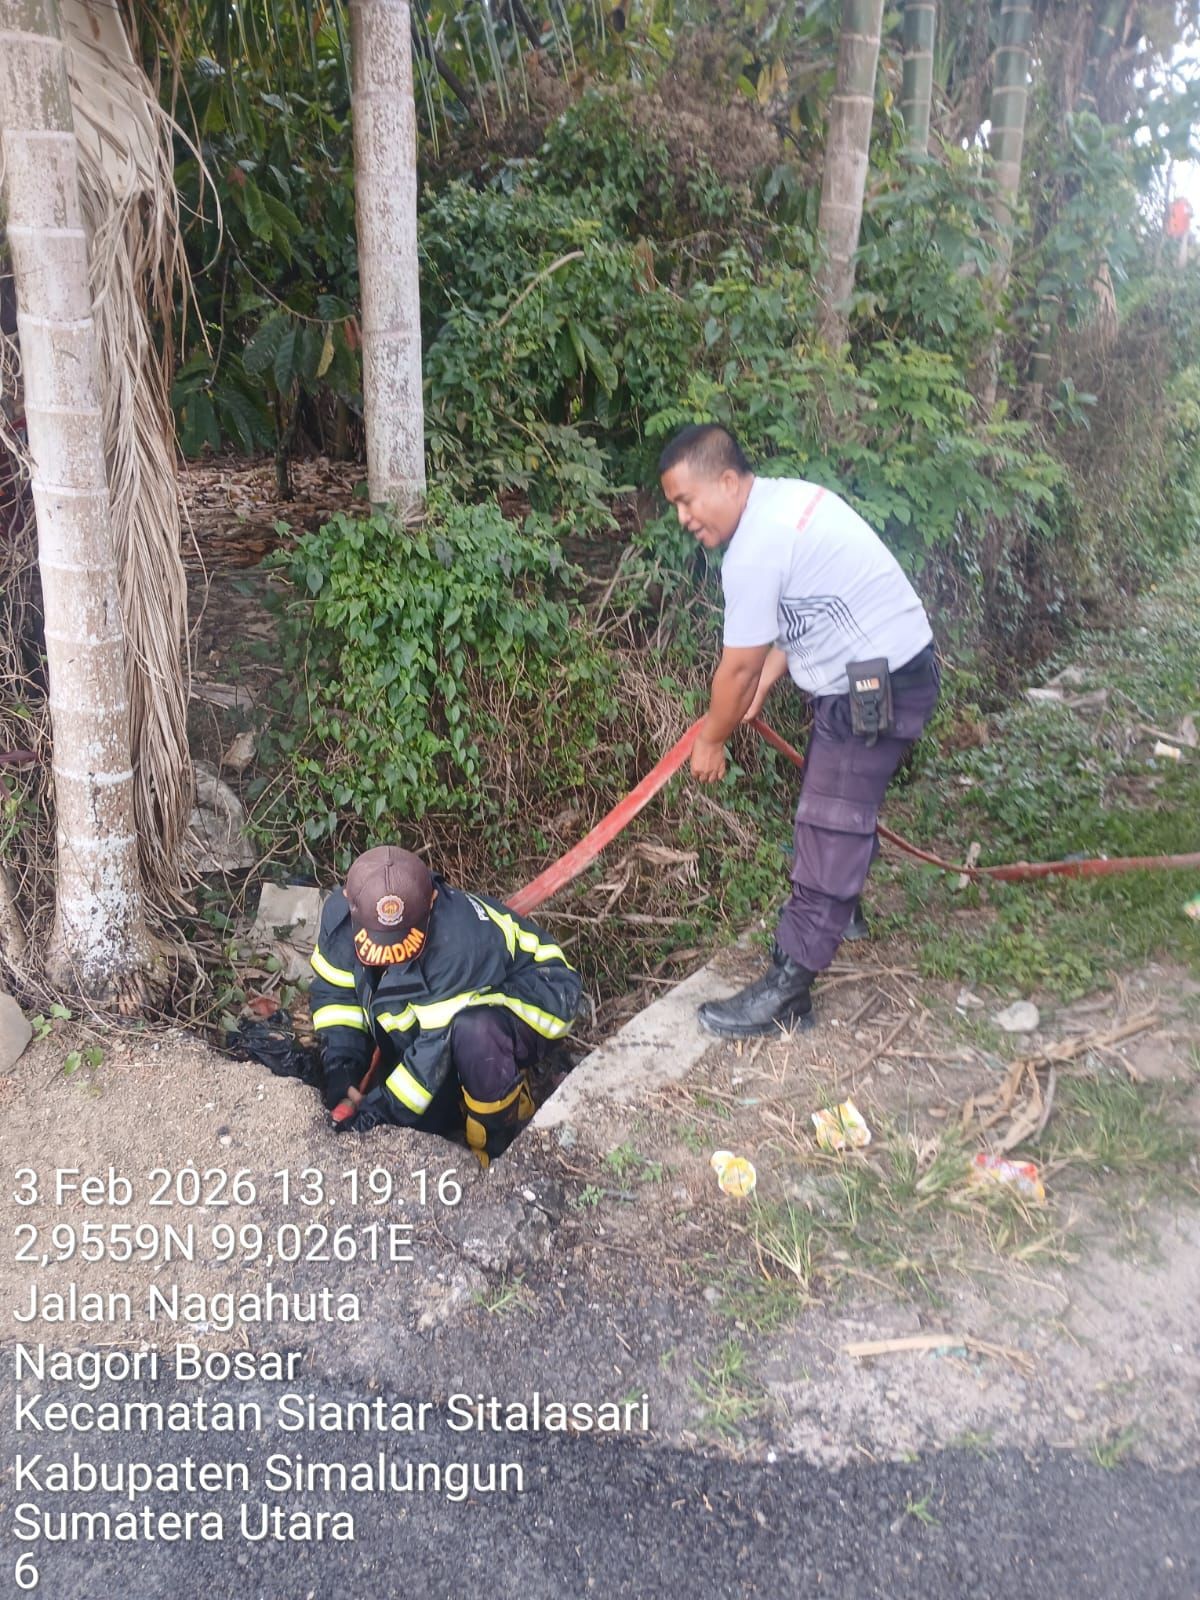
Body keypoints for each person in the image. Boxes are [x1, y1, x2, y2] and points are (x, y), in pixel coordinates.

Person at [658, 423, 939, 1037]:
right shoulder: (785, 501)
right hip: (893, 665)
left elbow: (734, 668)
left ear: (728, 482)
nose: (682, 517)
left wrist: (712, 738)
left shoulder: (755, 547)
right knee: (835, 798)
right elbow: (813, 602)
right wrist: (771, 672)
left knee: (830, 820)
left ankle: (791, 986)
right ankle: (845, 910)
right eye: (675, 504)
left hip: (875, 681)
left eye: (687, 500)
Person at [309, 846, 580, 1163]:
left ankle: (497, 1140)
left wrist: (374, 1113)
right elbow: (336, 998)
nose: (390, 954)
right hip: (437, 1020)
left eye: (402, 941)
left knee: (475, 1031)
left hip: (541, 993)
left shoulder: (459, 949)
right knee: (428, 1117)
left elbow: (429, 1058)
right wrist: (342, 1074)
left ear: (433, 901)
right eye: (379, 942)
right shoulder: (342, 919)